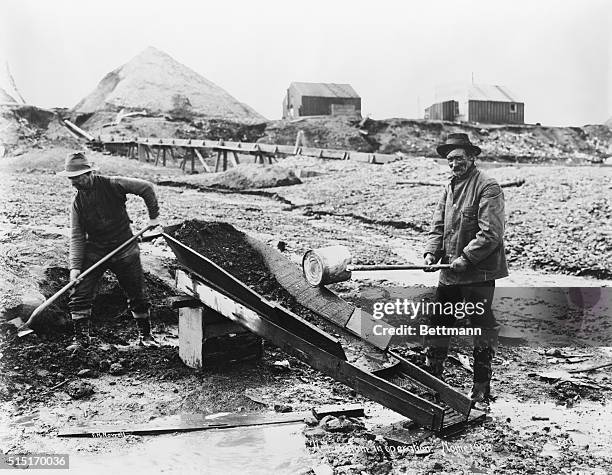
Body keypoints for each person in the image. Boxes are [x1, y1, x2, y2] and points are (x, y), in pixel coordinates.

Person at [423, 133, 508, 404]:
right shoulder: (449, 187)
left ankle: (481, 386)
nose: (454, 164)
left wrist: (467, 258)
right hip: (450, 271)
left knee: (480, 326)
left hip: (478, 273)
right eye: (450, 160)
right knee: (439, 322)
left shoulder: (488, 186)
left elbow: (491, 233)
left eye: (459, 158)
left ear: (472, 157)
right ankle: (433, 378)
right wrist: (430, 253)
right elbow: (438, 226)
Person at [58, 151, 161, 350]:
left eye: (77, 179)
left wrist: (154, 218)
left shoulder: (113, 184)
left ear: (89, 174)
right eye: (71, 179)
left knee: (137, 292)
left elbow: (146, 188)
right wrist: (75, 268)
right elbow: (78, 236)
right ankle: (81, 340)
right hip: (96, 250)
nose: (73, 184)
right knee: (80, 291)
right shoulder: (77, 203)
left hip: (124, 247)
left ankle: (146, 336)